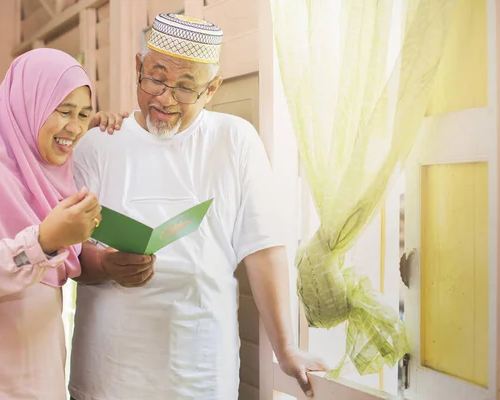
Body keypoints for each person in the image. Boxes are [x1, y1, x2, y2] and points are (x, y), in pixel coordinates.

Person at [69, 13, 328, 400]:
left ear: (213, 89)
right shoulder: (98, 145)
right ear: (138, 68)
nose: (165, 99)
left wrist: (285, 347)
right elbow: (63, 252)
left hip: (201, 371)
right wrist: (104, 265)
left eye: (186, 88)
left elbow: (263, 247)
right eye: (155, 78)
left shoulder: (234, 140)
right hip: (109, 373)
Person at [0, 48, 142, 400]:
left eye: (83, 114)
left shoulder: (50, 178)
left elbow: (64, 267)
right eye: (63, 111)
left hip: (32, 375)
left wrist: (102, 130)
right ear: (27, 105)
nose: (74, 126)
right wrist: (41, 243)